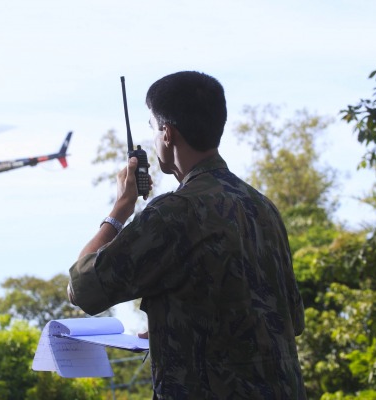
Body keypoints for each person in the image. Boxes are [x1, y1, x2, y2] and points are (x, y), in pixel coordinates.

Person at [67, 71, 306, 399]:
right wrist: (179, 329)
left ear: (167, 133)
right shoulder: (263, 208)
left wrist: (121, 208)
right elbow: (287, 319)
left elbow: (82, 288)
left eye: (153, 127)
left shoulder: (173, 213)